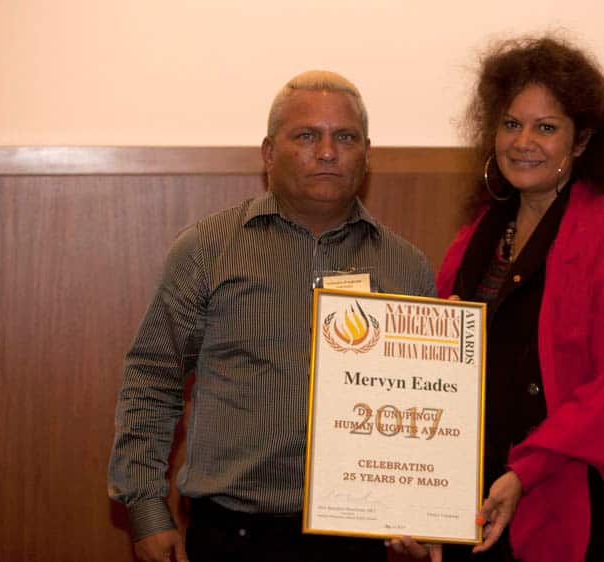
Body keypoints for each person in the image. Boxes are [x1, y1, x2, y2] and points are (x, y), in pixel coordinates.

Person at [108, 70, 437, 562]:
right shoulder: (207, 249)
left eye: (344, 137)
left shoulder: (406, 266)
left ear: (367, 153)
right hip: (233, 536)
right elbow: (153, 377)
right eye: (307, 135)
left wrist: (424, 511)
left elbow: (427, 402)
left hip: (358, 541)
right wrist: (147, 509)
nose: (327, 151)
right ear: (268, 152)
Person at [396, 34, 604, 562]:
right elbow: (438, 375)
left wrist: (526, 470)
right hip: (493, 498)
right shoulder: (477, 237)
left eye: (546, 127)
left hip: (587, 502)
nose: (523, 141)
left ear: (580, 142)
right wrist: (423, 500)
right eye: (511, 124)